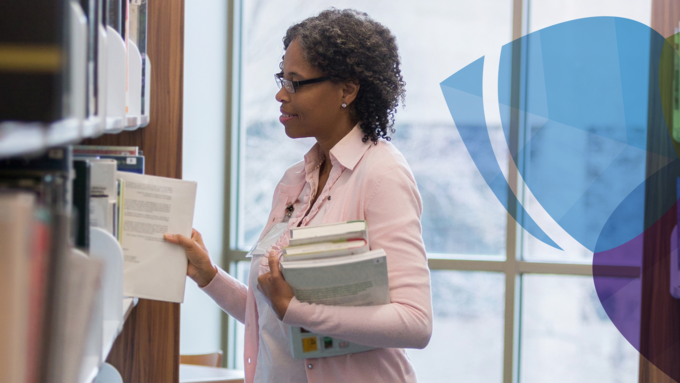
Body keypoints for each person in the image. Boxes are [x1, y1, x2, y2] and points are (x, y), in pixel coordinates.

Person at [165, 8, 432, 383]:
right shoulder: (296, 179)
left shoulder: (382, 174)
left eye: (296, 82)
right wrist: (209, 276)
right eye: (282, 78)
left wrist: (298, 309)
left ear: (347, 90)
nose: (280, 93)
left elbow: (415, 323)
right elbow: (275, 314)